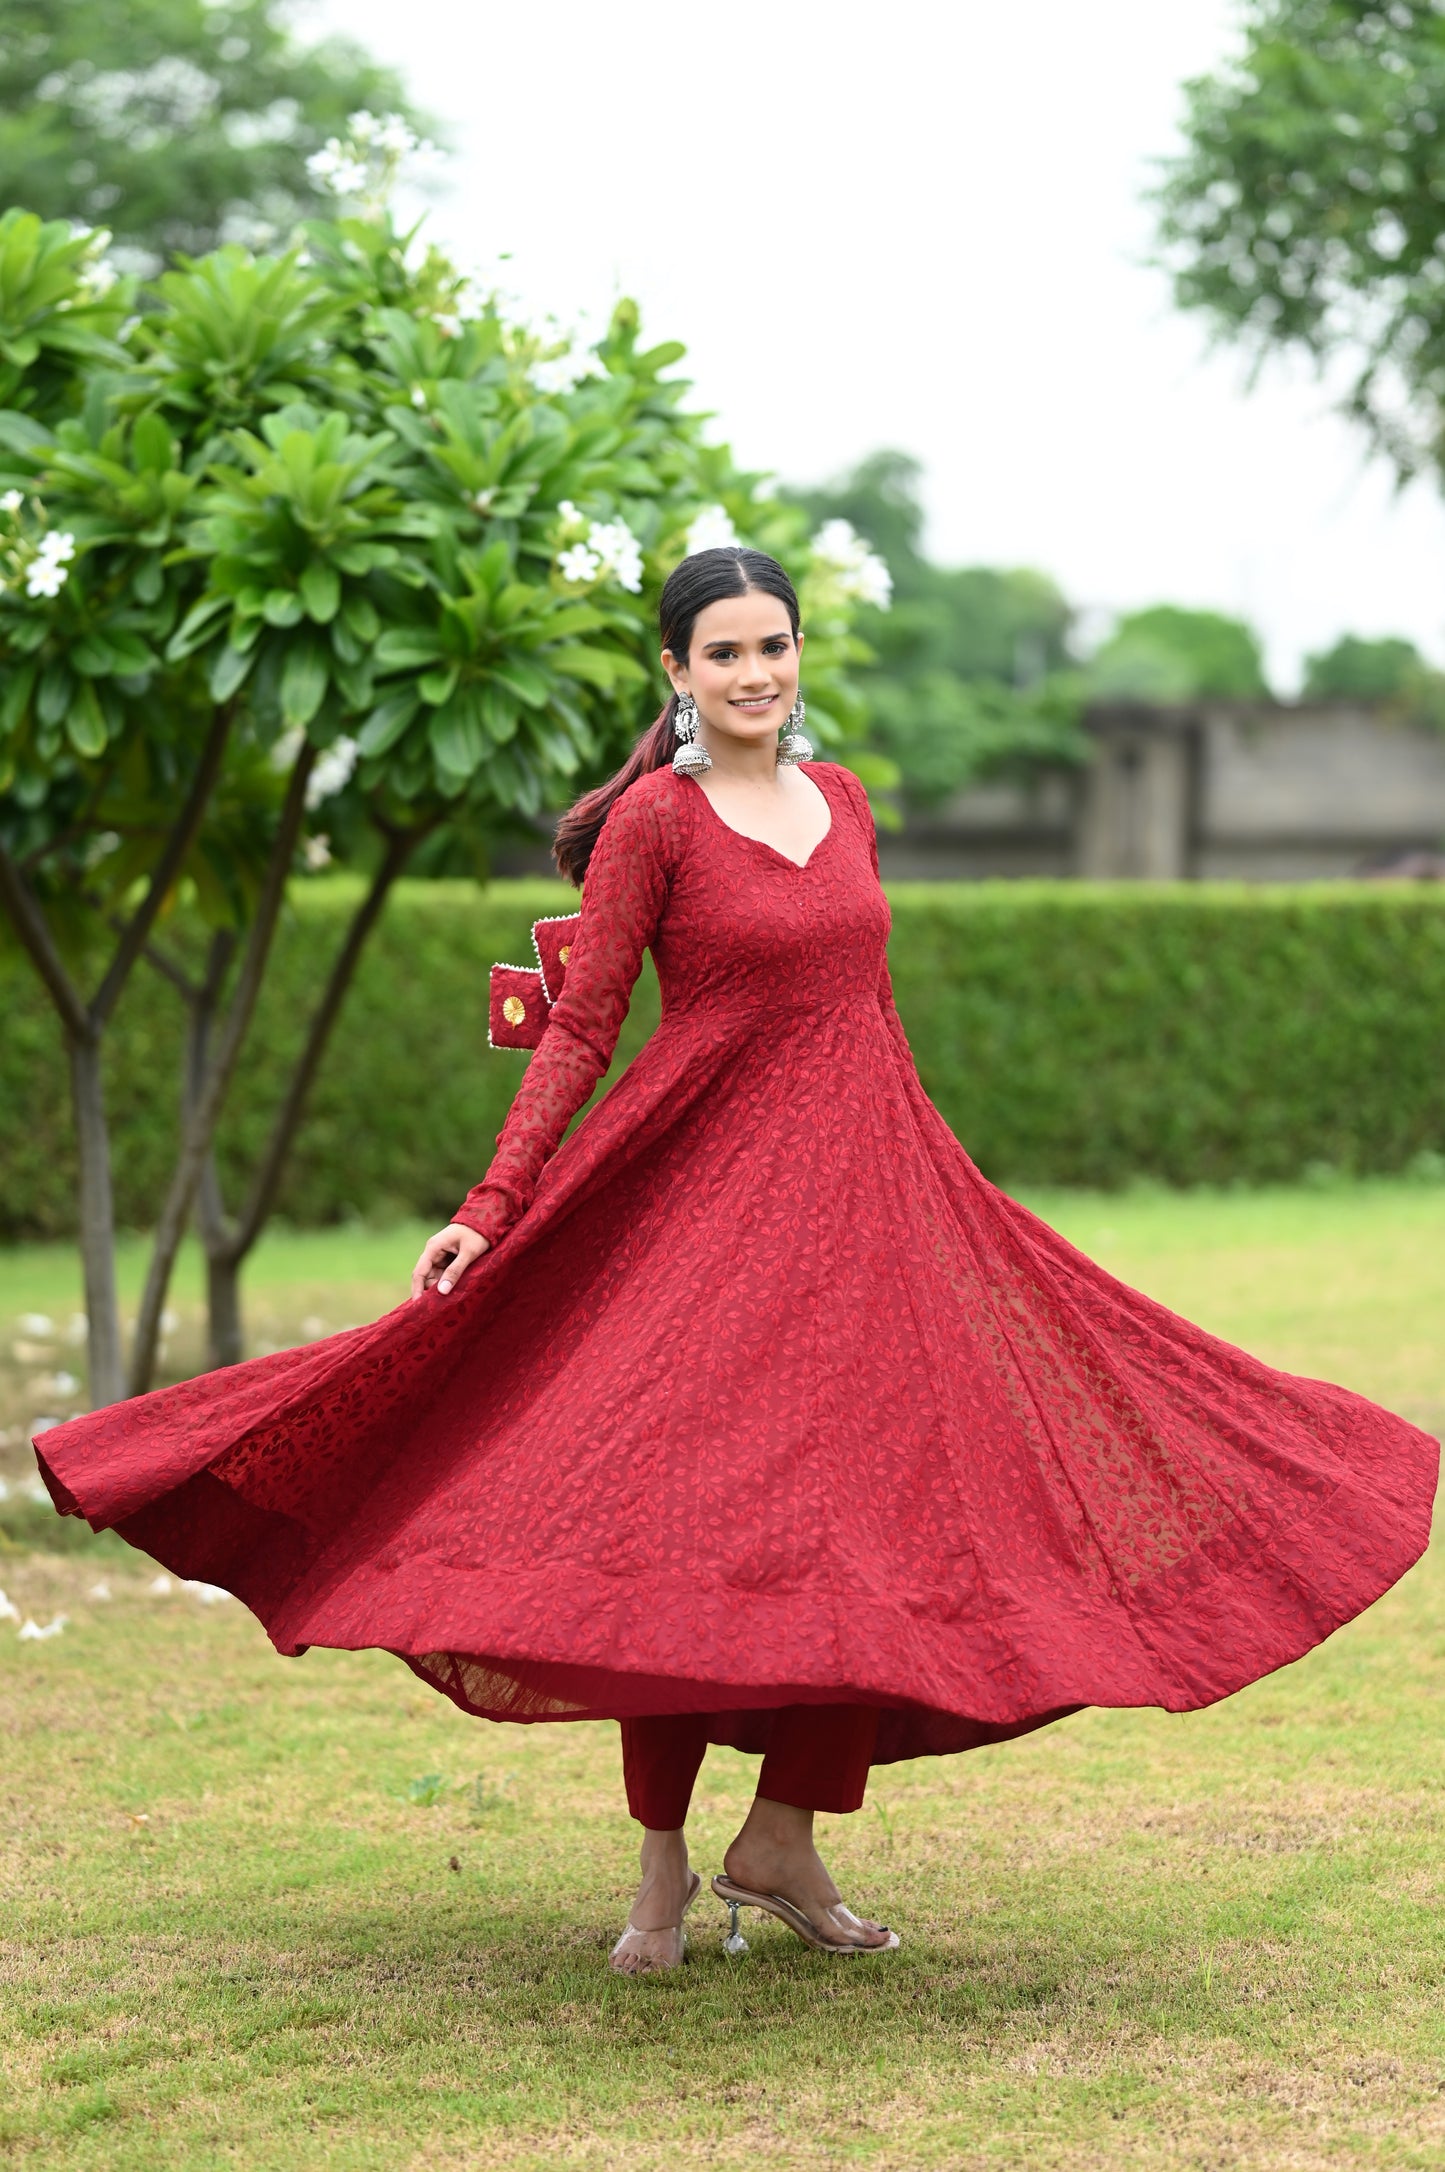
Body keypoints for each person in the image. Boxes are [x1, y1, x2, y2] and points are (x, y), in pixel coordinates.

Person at [37, 547, 1438, 1977]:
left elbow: (865, 1010)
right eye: (724, 654)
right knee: (675, 1523)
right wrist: (495, 1195)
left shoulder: (843, 804)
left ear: (797, 651)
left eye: (773, 645)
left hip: (869, 1215)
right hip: (700, 1215)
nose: (755, 673)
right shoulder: (656, 821)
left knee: (868, 1521)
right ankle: (657, 1863)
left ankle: (781, 1836)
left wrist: (933, 1183)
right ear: (678, 674)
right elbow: (583, 1026)